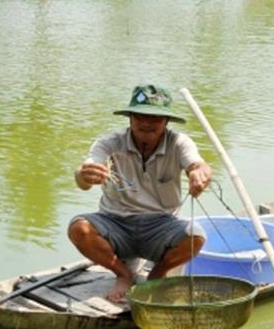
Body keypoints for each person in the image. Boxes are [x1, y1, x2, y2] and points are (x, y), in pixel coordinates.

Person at [68, 84, 213, 302]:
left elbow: (199, 165)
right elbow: (84, 177)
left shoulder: (178, 143)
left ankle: (158, 272)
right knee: (79, 228)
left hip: (161, 224)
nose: (147, 123)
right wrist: (83, 175)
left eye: (155, 118)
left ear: (166, 121)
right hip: (115, 222)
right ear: (130, 118)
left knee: (196, 236)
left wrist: (200, 175)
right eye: (140, 116)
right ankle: (123, 273)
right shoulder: (109, 143)